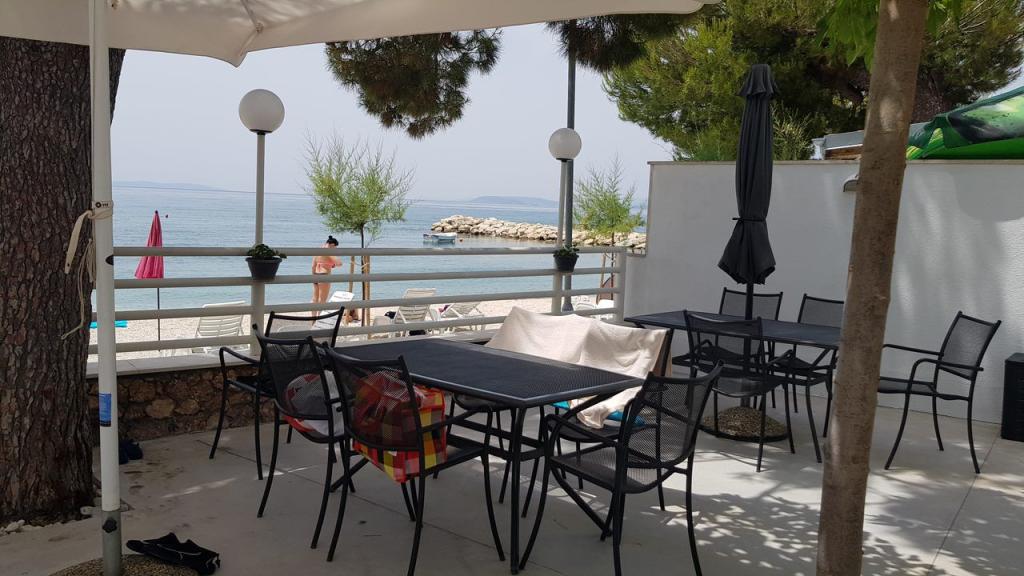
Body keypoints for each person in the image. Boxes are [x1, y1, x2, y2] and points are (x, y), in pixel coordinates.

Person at [311, 236, 342, 318]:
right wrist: (333, 264)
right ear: (332, 245)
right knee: (322, 300)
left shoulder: (318, 251)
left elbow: (313, 266)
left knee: (315, 299)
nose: (335, 249)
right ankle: (319, 319)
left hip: (315, 275)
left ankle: (313, 320)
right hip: (324, 275)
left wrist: (313, 277)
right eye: (335, 247)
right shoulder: (328, 251)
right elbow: (339, 263)